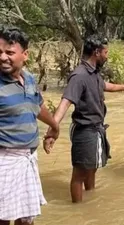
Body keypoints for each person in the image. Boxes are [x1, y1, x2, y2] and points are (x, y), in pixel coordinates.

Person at [43, 35, 124, 203]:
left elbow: (105, 85)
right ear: (97, 52)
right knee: (79, 174)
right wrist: (52, 130)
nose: (107, 55)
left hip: (96, 130)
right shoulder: (79, 76)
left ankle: (90, 201)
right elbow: (65, 103)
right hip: (85, 130)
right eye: (106, 52)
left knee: (92, 169)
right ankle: (78, 211)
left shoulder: (93, 72)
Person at [0, 26, 59, 225]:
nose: (3, 57)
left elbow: (37, 105)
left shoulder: (30, 79)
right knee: (2, 217)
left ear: (25, 55)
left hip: (28, 158)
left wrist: (54, 126)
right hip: (4, 160)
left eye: (9, 52)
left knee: (27, 219)